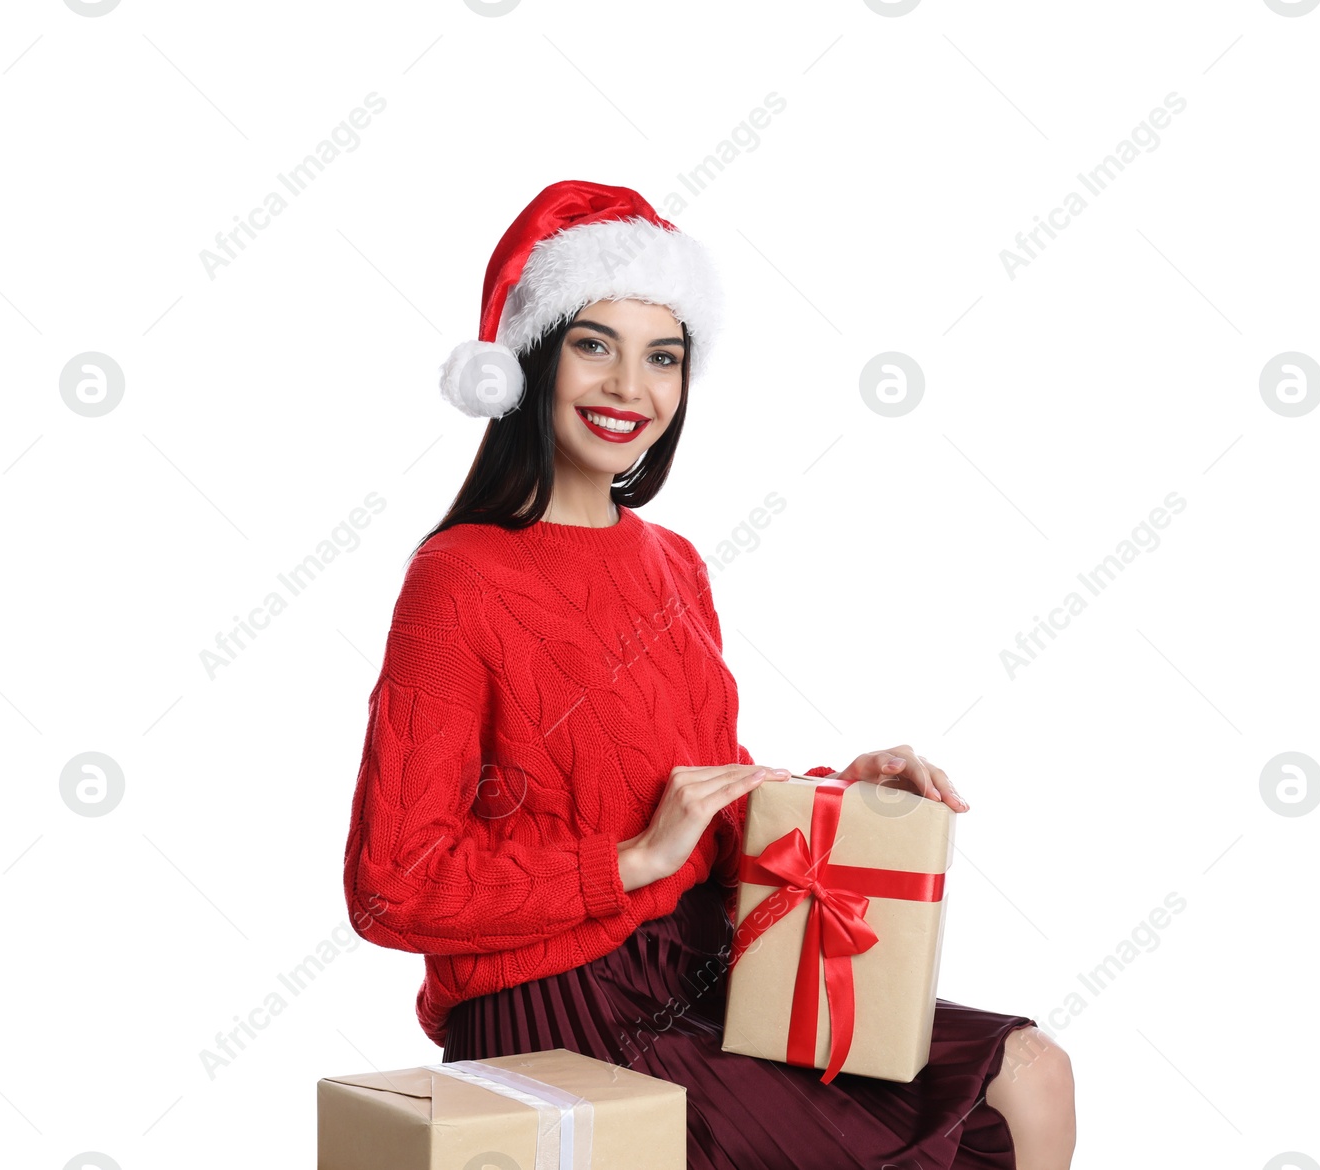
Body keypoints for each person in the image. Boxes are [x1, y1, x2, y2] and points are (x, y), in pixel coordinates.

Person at [342, 180, 1075, 1168]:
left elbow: (707, 799)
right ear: (529, 359)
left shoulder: (673, 564)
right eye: (593, 344)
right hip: (556, 1003)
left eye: (663, 357)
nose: (628, 389)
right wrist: (627, 863)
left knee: (1029, 1073)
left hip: (699, 960)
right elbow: (392, 886)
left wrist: (836, 801)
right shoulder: (459, 578)